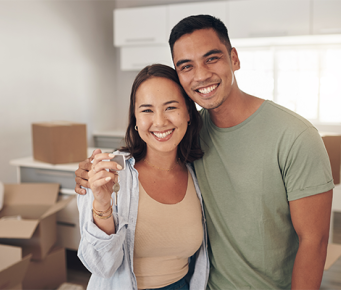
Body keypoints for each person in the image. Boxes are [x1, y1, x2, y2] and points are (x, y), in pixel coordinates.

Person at [75, 15, 334, 290]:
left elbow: (314, 241)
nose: (200, 75)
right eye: (186, 66)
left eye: (212, 58)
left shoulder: (295, 136)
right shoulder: (190, 138)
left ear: (234, 58)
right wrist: (90, 182)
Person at [76, 64, 209, 290]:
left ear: (188, 113)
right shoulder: (111, 173)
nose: (159, 122)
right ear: (135, 119)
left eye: (170, 107)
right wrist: (101, 203)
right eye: (147, 110)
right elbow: (100, 266)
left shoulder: (199, 173)